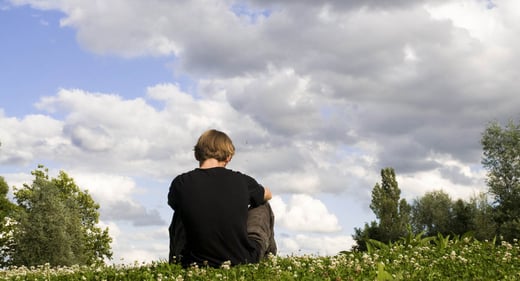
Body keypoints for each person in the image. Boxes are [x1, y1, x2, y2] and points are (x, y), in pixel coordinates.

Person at [168, 129, 277, 267]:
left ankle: (175, 261)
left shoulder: (180, 183)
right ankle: (269, 263)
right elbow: (268, 194)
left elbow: (174, 206)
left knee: (180, 210)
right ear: (228, 157)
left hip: (193, 261)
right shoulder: (242, 181)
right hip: (242, 259)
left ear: (197, 154)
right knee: (263, 204)